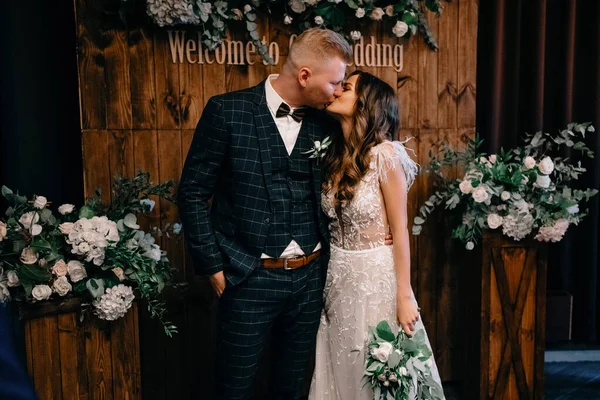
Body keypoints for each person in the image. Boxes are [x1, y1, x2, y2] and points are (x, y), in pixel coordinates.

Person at [177, 28, 353, 399]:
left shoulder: (327, 122)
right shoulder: (227, 111)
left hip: (310, 277)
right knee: (234, 386)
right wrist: (212, 266)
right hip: (247, 276)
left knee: (292, 387)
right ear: (305, 75)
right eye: (334, 82)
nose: (338, 91)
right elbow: (192, 192)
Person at [309, 71, 445, 399]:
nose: (338, 90)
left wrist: (404, 295)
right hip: (338, 278)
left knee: (380, 371)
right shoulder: (335, 158)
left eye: (348, 87)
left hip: (376, 279)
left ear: (366, 103)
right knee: (342, 365)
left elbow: (400, 231)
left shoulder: (385, 155)